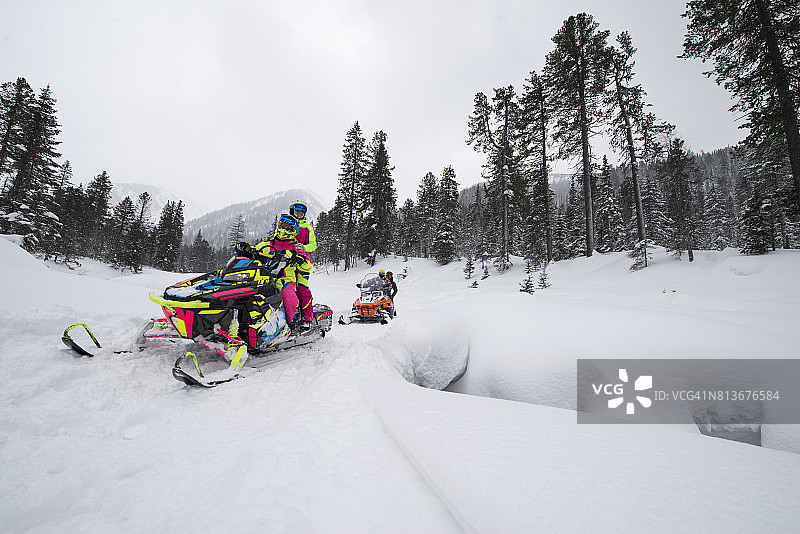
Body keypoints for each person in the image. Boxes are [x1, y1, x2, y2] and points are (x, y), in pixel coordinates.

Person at [238, 213, 314, 332]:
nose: (284, 229)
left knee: (287, 295)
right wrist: (244, 250)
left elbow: (308, 265)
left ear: (293, 231)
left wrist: (300, 259)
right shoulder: (267, 245)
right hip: (263, 278)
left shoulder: (296, 248)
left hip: (285, 280)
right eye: (282, 226)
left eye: (288, 228)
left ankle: (292, 322)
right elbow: (254, 253)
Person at [288, 200, 316, 327]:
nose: (299, 212)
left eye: (302, 210)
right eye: (296, 209)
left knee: (302, 288)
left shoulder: (307, 227)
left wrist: (303, 247)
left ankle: (307, 318)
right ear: (292, 210)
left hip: (301, 262)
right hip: (286, 261)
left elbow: (313, 245)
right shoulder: (286, 223)